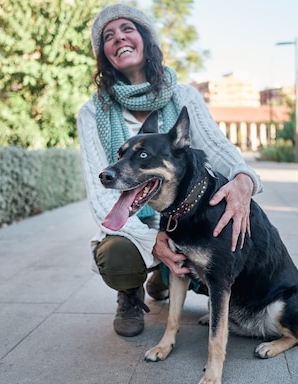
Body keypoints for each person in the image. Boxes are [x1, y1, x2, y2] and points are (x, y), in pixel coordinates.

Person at [77, 3, 263, 337]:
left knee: (223, 250)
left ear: (146, 38)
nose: (119, 37)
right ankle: (132, 292)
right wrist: (154, 242)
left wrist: (244, 178)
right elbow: (101, 197)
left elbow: (218, 149)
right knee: (117, 253)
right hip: (135, 224)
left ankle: (162, 278)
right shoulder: (93, 112)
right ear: (103, 53)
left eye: (127, 28)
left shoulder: (183, 96)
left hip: (183, 217)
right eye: (108, 35)